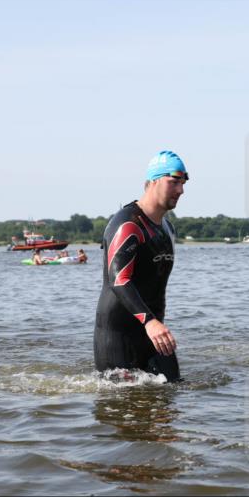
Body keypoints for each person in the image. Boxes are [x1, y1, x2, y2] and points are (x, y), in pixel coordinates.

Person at [94, 150, 185, 380]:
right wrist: (149, 321)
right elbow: (119, 280)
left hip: (154, 335)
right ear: (153, 181)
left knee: (173, 396)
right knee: (124, 410)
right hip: (118, 339)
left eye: (183, 184)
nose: (181, 190)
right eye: (174, 182)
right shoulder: (127, 224)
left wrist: (153, 324)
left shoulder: (167, 229)